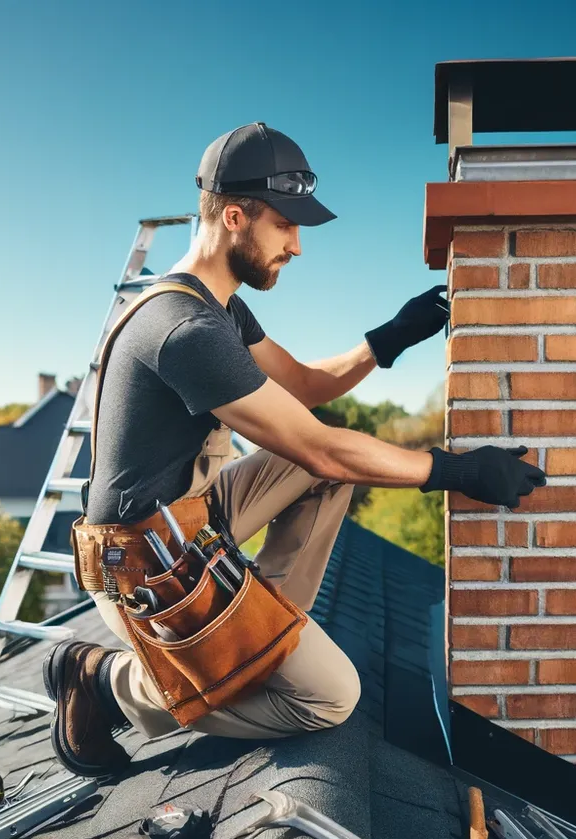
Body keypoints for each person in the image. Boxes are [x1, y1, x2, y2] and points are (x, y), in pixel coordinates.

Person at [46, 122, 546, 778]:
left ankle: (257, 632)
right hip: (145, 565)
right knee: (330, 698)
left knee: (332, 461)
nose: (298, 245)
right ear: (233, 216)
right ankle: (107, 681)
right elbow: (318, 446)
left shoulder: (219, 309)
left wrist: (389, 338)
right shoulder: (184, 328)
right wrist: (456, 470)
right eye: (286, 225)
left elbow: (305, 390)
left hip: (189, 517)